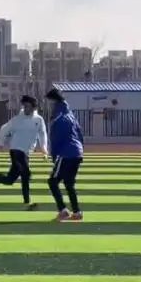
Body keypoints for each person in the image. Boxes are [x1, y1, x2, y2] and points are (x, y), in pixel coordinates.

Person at [0, 95, 47, 211]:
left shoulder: (39, 120)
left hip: (26, 153)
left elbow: (42, 134)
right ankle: (27, 203)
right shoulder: (17, 120)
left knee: (9, 180)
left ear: (34, 107)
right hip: (16, 150)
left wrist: (44, 149)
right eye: (25, 106)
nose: (26, 109)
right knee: (26, 174)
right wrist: (0, 143)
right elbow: (4, 129)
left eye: (28, 106)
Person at [45, 88, 85, 222]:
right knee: (69, 183)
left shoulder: (58, 117)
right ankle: (77, 212)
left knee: (53, 182)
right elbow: (79, 133)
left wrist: (54, 156)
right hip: (77, 152)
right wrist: (81, 150)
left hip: (65, 153)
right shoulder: (70, 114)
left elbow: (55, 139)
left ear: (53, 101)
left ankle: (63, 210)